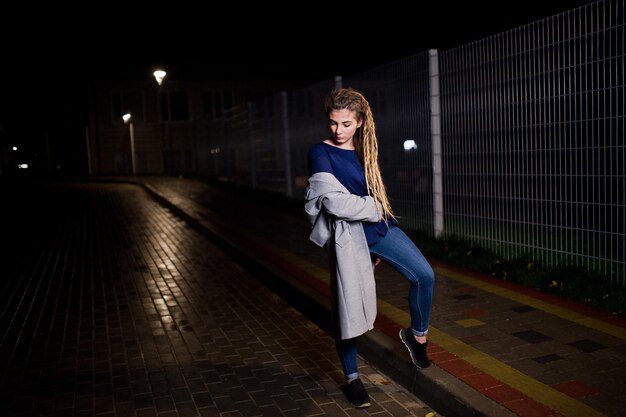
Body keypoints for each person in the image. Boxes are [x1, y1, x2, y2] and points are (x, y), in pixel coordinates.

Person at [304, 88, 435, 408]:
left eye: (346, 124)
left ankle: (417, 337)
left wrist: (377, 212)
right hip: (348, 239)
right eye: (333, 123)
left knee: (425, 276)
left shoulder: (368, 149)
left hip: (381, 230)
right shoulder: (320, 153)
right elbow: (331, 201)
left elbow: (374, 189)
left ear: (360, 122)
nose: (338, 130)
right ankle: (352, 379)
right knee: (348, 314)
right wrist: (372, 208)